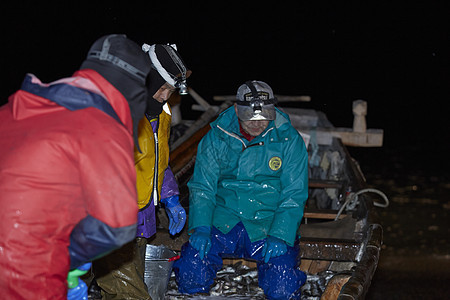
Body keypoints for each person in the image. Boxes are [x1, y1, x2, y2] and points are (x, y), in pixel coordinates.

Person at [0, 34, 155, 299]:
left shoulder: (20, 106)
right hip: (23, 267)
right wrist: (67, 260)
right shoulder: (102, 125)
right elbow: (115, 224)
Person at [173, 80, 308, 300]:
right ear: (236, 110)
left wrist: (281, 235)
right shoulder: (216, 137)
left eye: (263, 117)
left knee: (283, 283)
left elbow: (294, 193)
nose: (257, 124)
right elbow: (203, 187)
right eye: (249, 117)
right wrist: (200, 227)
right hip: (225, 217)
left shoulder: (289, 139)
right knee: (192, 266)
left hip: (269, 220)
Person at [92, 43, 191, 300]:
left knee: (120, 289)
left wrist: (170, 198)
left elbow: (159, 162)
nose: (165, 96)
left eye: (170, 90)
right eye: (161, 88)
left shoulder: (161, 115)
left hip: (141, 217)